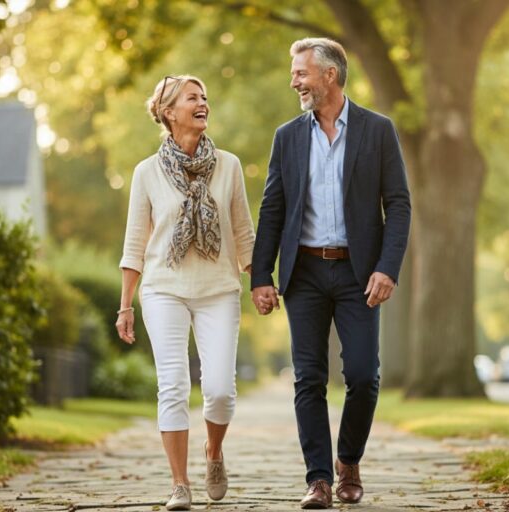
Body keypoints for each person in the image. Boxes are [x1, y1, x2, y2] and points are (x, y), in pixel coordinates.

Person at [251, 38, 411, 509]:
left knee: (363, 375)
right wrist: (262, 276)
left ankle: (349, 461)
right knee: (308, 378)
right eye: (294, 72)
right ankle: (319, 479)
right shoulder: (287, 136)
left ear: (330, 76)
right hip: (303, 273)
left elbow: (398, 204)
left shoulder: (377, 130)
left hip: (359, 274)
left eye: (301, 72)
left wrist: (388, 268)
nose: (294, 80)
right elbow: (273, 207)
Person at [116, 75, 255, 511]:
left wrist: (262, 281)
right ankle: (179, 483)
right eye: (193, 98)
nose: (203, 104)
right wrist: (125, 305)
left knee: (218, 390)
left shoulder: (229, 165)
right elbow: (135, 243)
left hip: (218, 288)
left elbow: (243, 232)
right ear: (169, 112)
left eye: (205, 98)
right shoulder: (147, 172)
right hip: (164, 289)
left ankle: (213, 453)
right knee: (173, 385)